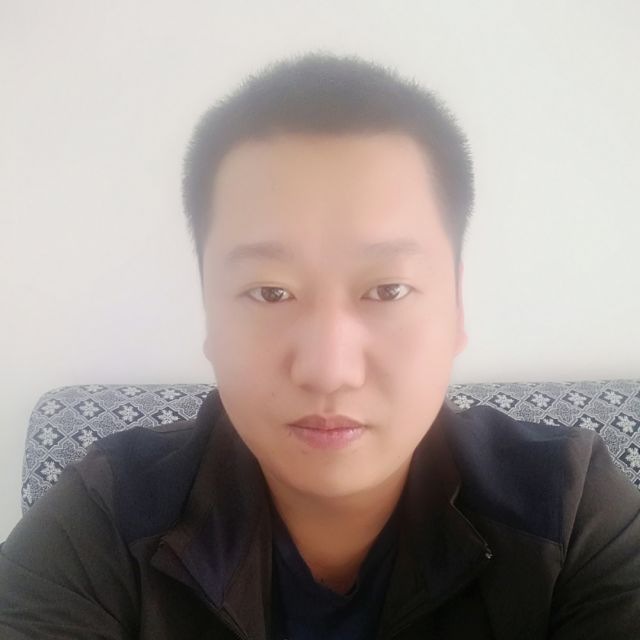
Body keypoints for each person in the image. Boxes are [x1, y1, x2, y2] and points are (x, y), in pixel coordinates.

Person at [1, 51, 638, 640]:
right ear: (208, 314)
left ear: (457, 308)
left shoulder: (569, 510)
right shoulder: (107, 518)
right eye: (269, 292)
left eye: (387, 290)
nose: (329, 369)